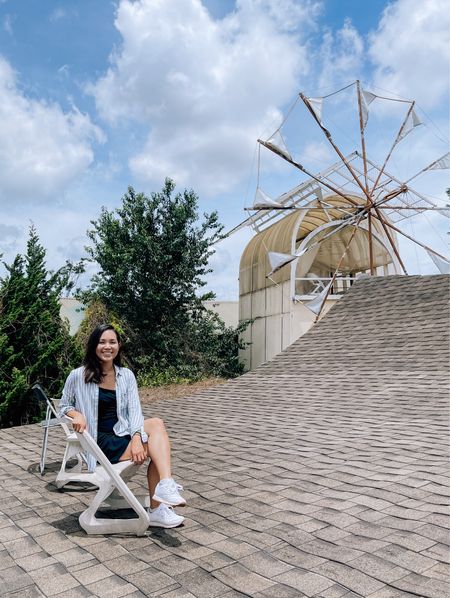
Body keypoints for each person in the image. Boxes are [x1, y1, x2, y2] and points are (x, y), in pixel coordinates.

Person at [59, 323, 186, 528]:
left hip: (122, 433)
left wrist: (136, 438)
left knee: (156, 425)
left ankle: (164, 488)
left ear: (118, 346)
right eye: (102, 342)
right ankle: (158, 506)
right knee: (158, 450)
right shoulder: (78, 375)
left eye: (112, 342)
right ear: (93, 346)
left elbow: (135, 412)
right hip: (99, 442)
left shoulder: (126, 375)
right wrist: (77, 414)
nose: (107, 346)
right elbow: (63, 406)